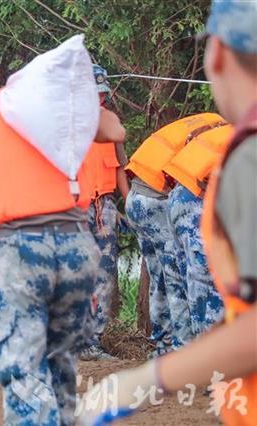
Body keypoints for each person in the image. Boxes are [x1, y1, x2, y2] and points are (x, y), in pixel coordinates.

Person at [0, 29, 125, 425]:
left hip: (20, 250)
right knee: (60, 365)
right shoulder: (31, 104)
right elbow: (114, 131)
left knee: (23, 376)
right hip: (77, 243)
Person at [78, 2, 257, 425]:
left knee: (176, 278)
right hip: (152, 199)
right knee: (174, 277)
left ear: (215, 55)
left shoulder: (245, 158)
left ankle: (173, 345)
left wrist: (147, 380)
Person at [125, 111, 226, 354]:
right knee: (181, 279)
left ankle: (165, 346)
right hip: (164, 198)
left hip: (139, 197)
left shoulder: (215, 124)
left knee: (161, 278)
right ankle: (180, 350)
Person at [80, 65, 130, 361]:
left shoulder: (112, 124)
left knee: (106, 272)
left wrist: (130, 204)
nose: (97, 97)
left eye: (101, 92)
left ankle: (94, 340)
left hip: (106, 205)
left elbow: (120, 167)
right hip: (78, 207)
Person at [163, 125, 231, 337]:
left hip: (183, 194)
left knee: (186, 277)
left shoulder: (229, 128)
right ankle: (212, 352)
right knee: (207, 279)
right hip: (196, 200)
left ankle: (188, 349)